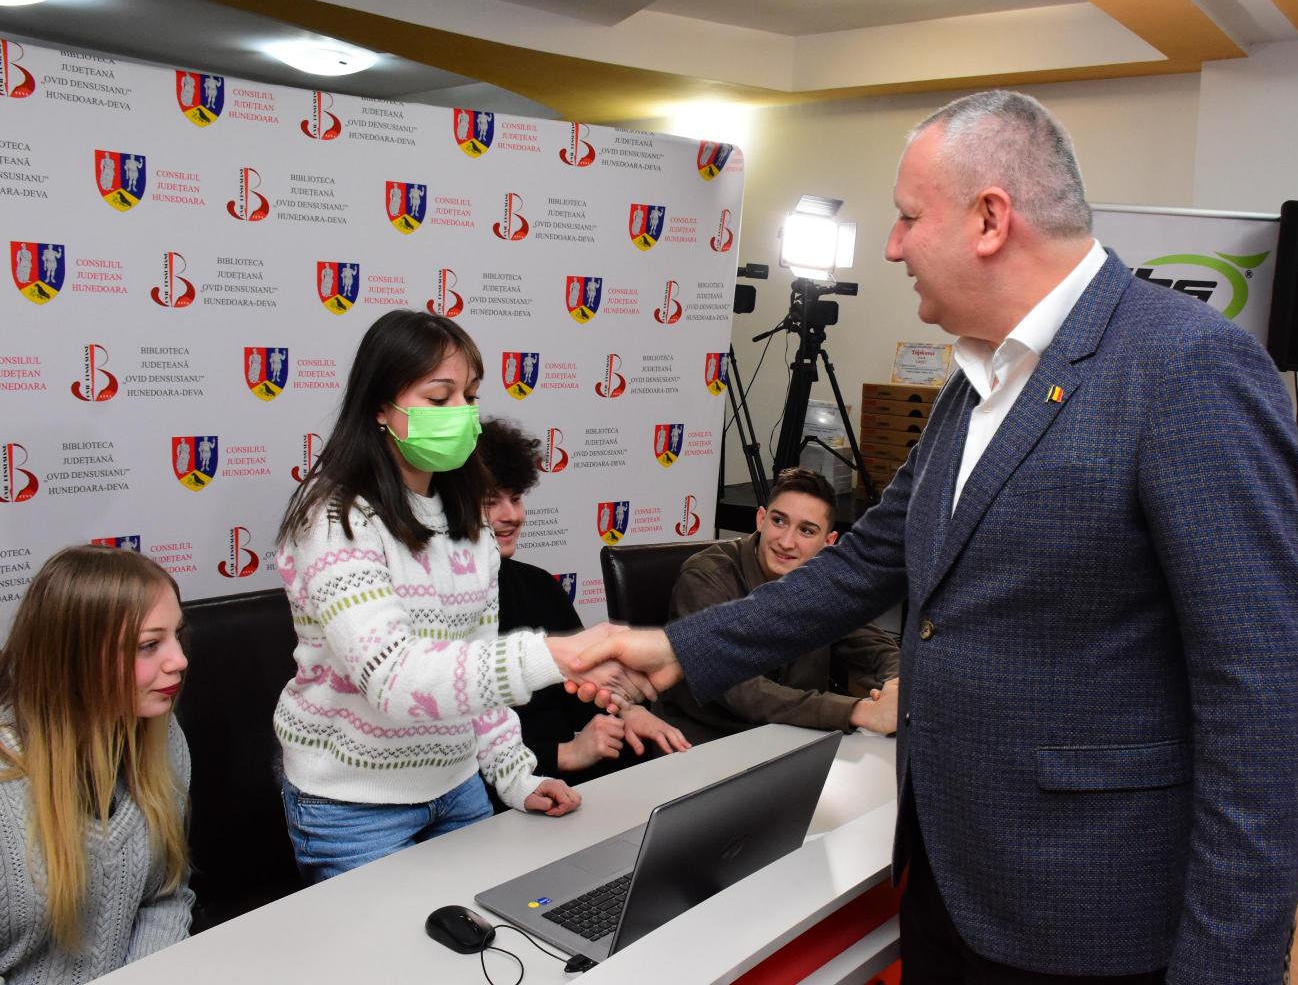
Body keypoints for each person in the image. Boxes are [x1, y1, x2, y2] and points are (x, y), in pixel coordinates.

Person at [572, 90, 1298, 984]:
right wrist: (677, 648)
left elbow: (1261, 698)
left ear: (990, 219)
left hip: (1087, 910)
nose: (892, 247)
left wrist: (1228, 968)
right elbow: (864, 563)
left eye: (907, 217)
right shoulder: (977, 378)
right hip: (945, 876)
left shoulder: (1188, 367)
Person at [273, 309, 644, 883]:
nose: (461, 413)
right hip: (356, 806)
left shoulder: (467, 520)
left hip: (457, 783)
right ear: (380, 406)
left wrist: (516, 775)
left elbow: (473, 672)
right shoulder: (334, 517)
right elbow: (393, 678)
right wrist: (558, 655)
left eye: (469, 397)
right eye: (439, 398)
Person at [0, 545, 192, 983]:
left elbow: (165, 896)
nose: (179, 660)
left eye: (177, 635)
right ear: (75, 659)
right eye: (149, 645)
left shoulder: (163, 736)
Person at [476, 419, 688, 781]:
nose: (511, 516)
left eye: (516, 499)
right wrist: (565, 755)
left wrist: (625, 712)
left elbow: (577, 693)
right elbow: (452, 753)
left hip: (561, 782)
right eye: (490, 503)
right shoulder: (433, 608)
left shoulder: (538, 585)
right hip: (501, 791)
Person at [662, 467, 899, 744]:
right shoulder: (706, 576)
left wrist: (897, 686)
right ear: (761, 519)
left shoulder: (824, 584)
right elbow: (737, 689)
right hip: (706, 743)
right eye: (778, 521)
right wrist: (857, 711)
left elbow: (876, 648)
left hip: (794, 739)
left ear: (829, 542)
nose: (786, 542)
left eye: (806, 530)